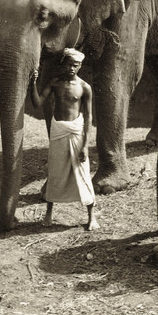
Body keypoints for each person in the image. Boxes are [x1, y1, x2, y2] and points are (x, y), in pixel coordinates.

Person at [28, 48, 98, 230]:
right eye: (69, 64)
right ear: (63, 64)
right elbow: (37, 103)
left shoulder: (84, 87)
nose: (71, 68)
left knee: (82, 172)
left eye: (75, 65)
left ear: (80, 66)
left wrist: (85, 146)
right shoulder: (55, 83)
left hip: (76, 131)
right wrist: (32, 83)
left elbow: (88, 117)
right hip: (58, 130)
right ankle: (49, 213)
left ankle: (92, 216)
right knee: (55, 171)